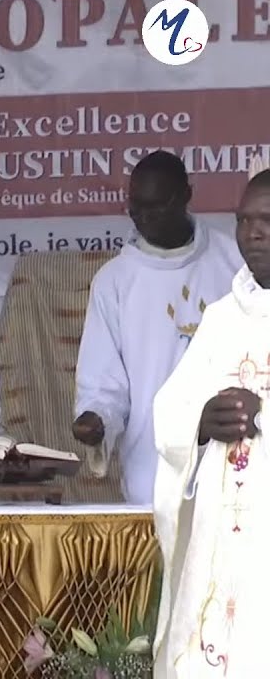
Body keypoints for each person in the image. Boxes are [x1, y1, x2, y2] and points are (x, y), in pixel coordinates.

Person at [71, 151, 241, 505]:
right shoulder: (114, 282)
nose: (144, 217)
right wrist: (96, 419)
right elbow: (103, 382)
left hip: (233, 464)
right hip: (153, 468)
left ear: (186, 195)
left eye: (156, 206)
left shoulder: (234, 263)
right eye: (136, 207)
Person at [152, 169, 270, 677]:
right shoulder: (223, 317)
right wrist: (201, 420)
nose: (252, 233)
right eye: (244, 221)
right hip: (222, 535)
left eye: (267, 221)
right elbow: (169, 410)